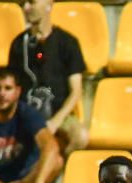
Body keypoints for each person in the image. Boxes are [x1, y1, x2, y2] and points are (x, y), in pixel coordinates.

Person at [8, 0, 89, 155]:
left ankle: (55, 171)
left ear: (48, 5)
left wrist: (55, 122)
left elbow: (76, 91)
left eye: (31, 3)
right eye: (23, 3)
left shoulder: (67, 43)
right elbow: (12, 87)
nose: (25, 8)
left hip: (59, 115)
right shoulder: (18, 44)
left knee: (80, 136)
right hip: (28, 114)